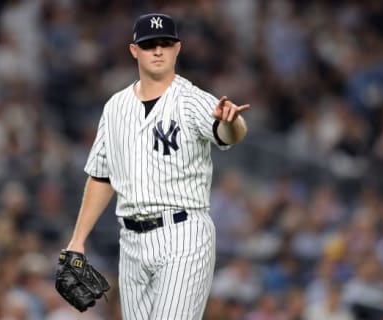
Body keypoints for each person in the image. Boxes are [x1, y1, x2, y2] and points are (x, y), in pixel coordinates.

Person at [64, 13, 250, 320]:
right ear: (134, 51)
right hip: (131, 241)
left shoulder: (193, 100)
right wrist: (78, 239)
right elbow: (101, 175)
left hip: (183, 234)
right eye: (150, 45)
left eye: (165, 43)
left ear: (178, 48)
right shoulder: (115, 107)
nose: (158, 51)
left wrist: (232, 121)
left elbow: (229, 133)